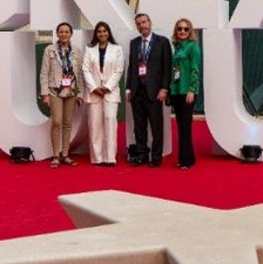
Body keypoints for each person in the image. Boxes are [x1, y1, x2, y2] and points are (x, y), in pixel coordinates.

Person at [126, 12, 171, 167]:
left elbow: (167, 67)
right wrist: (128, 89)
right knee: (139, 126)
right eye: (138, 24)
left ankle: (156, 157)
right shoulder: (134, 43)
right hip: (137, 90)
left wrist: (164, 88)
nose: (142, 26)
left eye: (144, 22)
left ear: (150, 22)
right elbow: (132, 67)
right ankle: (142, 154)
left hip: (154, 91)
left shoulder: (162, 42)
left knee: (156, 126)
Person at [39, 21, 84, 168]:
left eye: (67, 32)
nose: (64, 34)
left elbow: (79, 74)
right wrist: (45, 94)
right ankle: (56, 155)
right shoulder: (49, 50)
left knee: (67, 123)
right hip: (55, 91)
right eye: (61, 32)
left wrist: (80, 93)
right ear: (57, 34)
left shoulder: (76, 51)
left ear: (71, 34)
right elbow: (44, 73)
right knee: (57, 122)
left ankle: (65, 154)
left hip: (71, 91)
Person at [82, 21, 124, 166]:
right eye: (99, 31)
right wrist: (94, 88)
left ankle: (110, 157)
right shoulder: (89, 49)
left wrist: (107, 87)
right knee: (95, 125)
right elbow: (85, 70)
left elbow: (119, 70)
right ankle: (97, 158)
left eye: (104, 31)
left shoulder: (117, 49)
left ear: (108, 33)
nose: (102, 34)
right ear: (96, 34)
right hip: (94, 93)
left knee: (110, 121)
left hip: (110, 93)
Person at [169, 18, 201, 169]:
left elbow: (195, 69)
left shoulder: (193, 47)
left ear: (190, 31)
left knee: (185, 126)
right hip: (176, 91)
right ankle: (190, 157)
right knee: (181, 125)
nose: (182, 31)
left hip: (187, 92)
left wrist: (192, 90)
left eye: (186, 29)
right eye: (179, 28)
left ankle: (185, 161)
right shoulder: (177, 47)